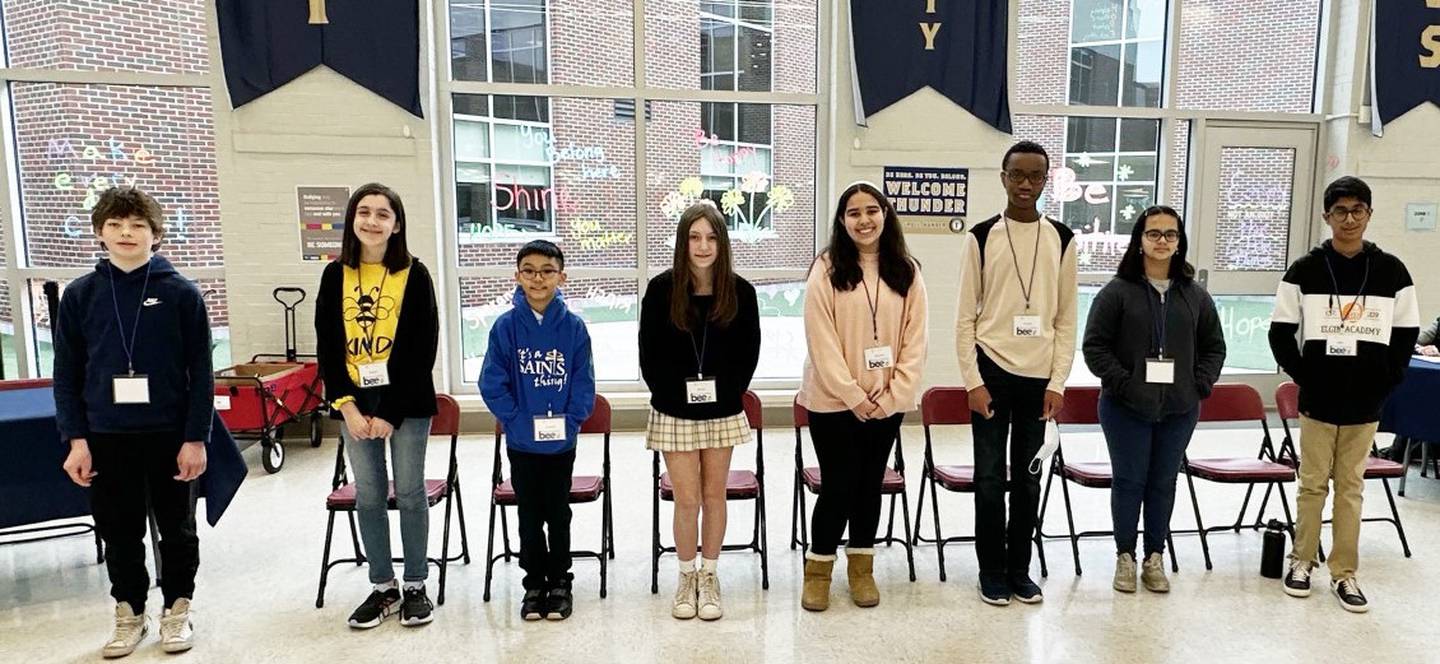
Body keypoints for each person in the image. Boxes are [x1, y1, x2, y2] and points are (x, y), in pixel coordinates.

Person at [54, 186, 213, 657]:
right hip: (106, 436)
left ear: (156, 234)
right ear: (100, 232)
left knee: (178, 529)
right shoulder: (81, 296)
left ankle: (178, 610)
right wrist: (75, 440)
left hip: (169, 433)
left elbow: (202, 373)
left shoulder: (181, 293)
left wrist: (196, 439)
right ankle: (129, 612)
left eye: (138, 225)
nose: (127, 233)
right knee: (118, 531)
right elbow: (66, 373)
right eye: (116, 225)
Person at [1268, 175, 1419, 613]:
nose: (1349, 219)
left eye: (1357, 211)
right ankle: (1301, 562)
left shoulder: (1392, 271)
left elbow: (1406, 333)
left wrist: (1388, 377)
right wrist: (1304, 376)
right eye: (1340, 212)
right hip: (1319, 397)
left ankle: (1344, 573)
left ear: (1369, 215)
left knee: (1351, 487)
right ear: (1326, 217)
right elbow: (1280, 332)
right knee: (1312, 482)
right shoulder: (1305, 269)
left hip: (1366, 400)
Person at [955, 140, 1078, 606]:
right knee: (989, 477)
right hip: (992, 370)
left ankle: (1020, 569)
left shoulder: (1063, 239)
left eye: (1035, 176)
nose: (1026, 184)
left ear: (1047, 180)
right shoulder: (981, 236)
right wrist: (972, 380)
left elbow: (1066, 319)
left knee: (1028, 479)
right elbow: (965, 316)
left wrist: (1058, 383)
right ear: (1003, 177)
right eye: (1017, 175)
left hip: (1039, 378)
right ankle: (991, 571)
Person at [1082, 206, 1226, 594]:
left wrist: (1199, 384)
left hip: (1180, 408)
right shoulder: (1116, 292)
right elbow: (1095, 347)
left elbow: (1214, 347)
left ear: (1180, 243)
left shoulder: (1195, 296)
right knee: (1129, 480)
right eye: (1154, 234)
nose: (1162, 241)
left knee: (1163, 482)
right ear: (1139, 241)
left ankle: (1154, 556)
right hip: (1125, 406)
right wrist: (1125, 384)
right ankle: (1125, 556)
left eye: (1170, 235)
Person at [797, 181, 927, 612]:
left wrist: (891, 397)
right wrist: (852, 394)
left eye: (872, 210)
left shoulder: (907, 270)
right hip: (833, 402)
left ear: (885, 215)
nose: (864, 220)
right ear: (841, 221)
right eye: (853, 213)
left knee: (870, 484)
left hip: (885, 403)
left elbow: (915, 339)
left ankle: (862, 569)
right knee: (838, 485)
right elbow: (822, 339)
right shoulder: (826, 268)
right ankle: (818, 570)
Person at [315, 183, 440, 629]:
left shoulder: (414, 273)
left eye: (382, 214)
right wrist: (347, 407)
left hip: (405, 404)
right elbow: (327, 348)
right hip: (353, 405)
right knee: (368, 494)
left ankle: (415, 585)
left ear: (397, 224)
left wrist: (390, 412)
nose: (372, 220)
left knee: (409, 492)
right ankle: (383, 585)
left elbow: (422, 349)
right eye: (363, 212)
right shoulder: (335, 275)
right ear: (351, 220)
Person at [640, 202, 761, 621]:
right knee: (686, 499)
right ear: (683, 241)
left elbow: (748, 355)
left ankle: (710, 576)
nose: (703, 246)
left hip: (723, 409)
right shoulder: (661, 290)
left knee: (715, 495)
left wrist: (721, 396)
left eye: (712, 237)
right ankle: (686, 576)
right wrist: (677, 397)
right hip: (674, 412)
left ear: (722, 243)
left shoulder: (740, 292)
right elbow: (649, 357)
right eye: (695, 237)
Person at [480, 240, 596, 622]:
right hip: (522, 442)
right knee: (529, 514)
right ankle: (534, 583)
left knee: (558, 512)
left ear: (561, 277)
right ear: (517, 276)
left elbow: (583, 381)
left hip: (561, 443)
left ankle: (560, 581)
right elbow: (492, 382)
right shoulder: (505, 328)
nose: (538, 278)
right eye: (528, 270)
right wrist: (515, 419)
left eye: (547, 270)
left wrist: (573, 419)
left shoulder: (575, 328)